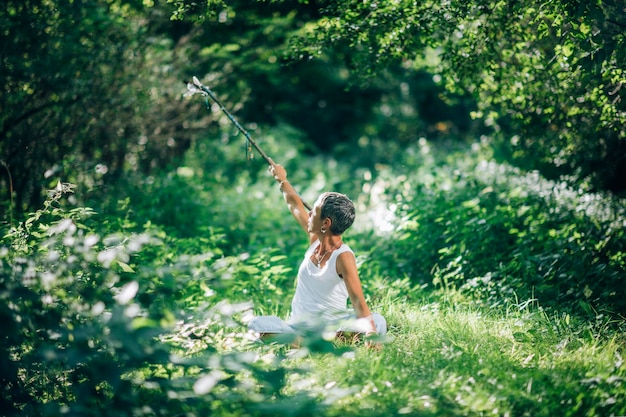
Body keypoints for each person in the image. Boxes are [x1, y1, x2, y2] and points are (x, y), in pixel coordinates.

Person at [248, 160, 387, 346]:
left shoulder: (343, 257)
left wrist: (370, 331)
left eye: (315, 211)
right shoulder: (315, 240)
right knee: (256, 324)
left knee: (377, 321)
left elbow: (358, 302)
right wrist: (282, 180)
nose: (310, 213)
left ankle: (308, 343)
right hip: (296, 327)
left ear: (326, 223)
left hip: (331, 328)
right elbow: (295, 205)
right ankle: (306, 343)